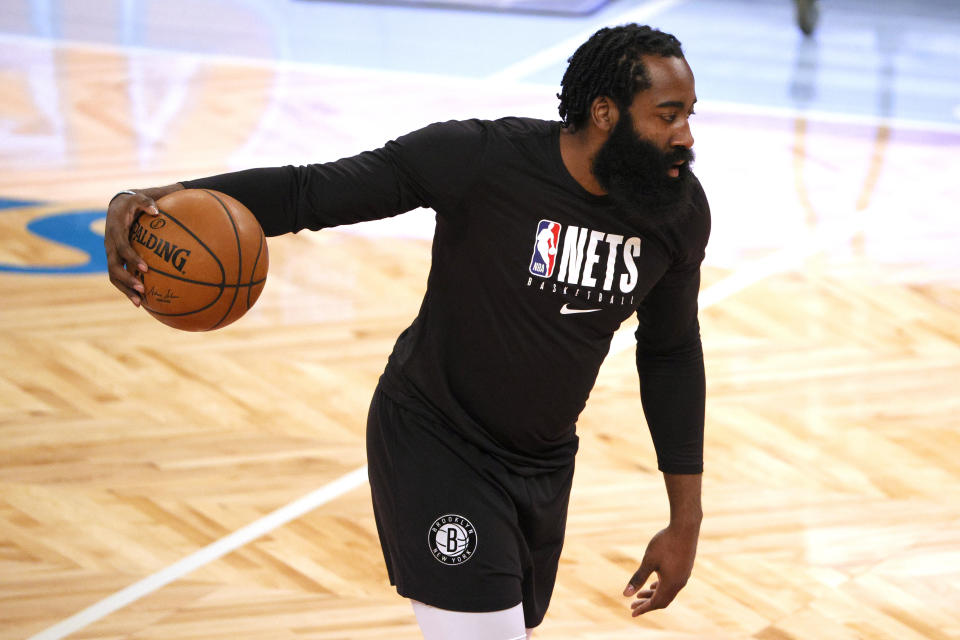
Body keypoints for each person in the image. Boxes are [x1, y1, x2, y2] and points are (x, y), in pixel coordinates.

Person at [104, 23, 709, 639]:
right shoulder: (482, 159)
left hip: (543, 466)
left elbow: (671, 354)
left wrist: (685, 520)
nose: (685, 136)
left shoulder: (678, 214)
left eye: (688, 114)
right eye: (667, 116)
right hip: (434, 442)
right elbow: (312, 192)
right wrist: (165, 198)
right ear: (604, 113)